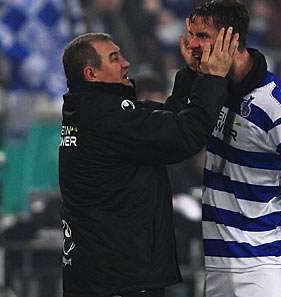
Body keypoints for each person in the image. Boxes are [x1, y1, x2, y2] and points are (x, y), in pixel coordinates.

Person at [175, 1, 281, 296]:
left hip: (267, 261)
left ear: (232, 39)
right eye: (191, 35)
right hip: (219, 261)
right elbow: (175, 137)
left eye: (203, 36)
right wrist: (189, 77)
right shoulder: (209, 91)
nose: (192, 45)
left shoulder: (277, 105)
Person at [59, 31, 239, 297]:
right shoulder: (109, 118)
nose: (125, 63)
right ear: (91, 73)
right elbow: (183, 135)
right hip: (119, 278)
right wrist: (213, 78)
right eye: (113, 57)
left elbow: (166, 119)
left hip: (99, 273)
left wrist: (191, 73)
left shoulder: (88, 110)